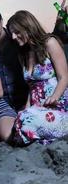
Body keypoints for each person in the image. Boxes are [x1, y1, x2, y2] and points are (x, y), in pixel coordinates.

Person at [7, 10, 68, 145]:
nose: (13, 37)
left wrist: (55, 97)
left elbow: (64, 77)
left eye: (17, 32)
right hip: (38, 108)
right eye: (11, 33)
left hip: (58, 106)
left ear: (28, 27)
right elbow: (31, 87)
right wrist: (27, 107)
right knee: (20, 118)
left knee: (26, 122)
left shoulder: (50, 43)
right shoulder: (23, 54)